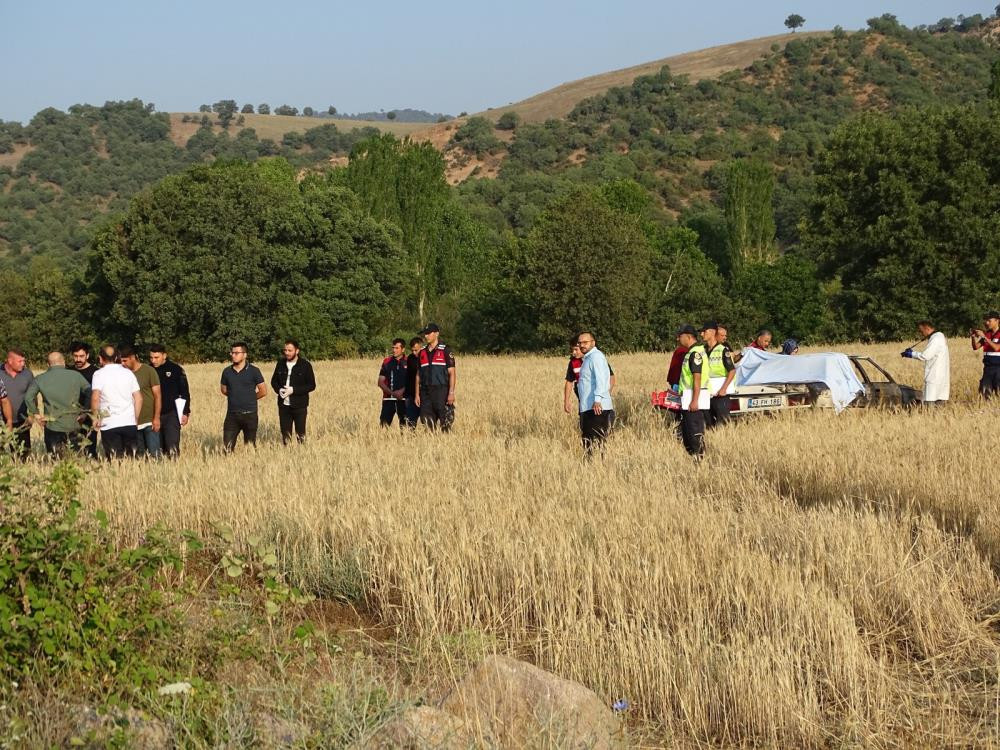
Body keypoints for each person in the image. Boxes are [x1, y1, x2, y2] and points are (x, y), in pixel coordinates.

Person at [24, 351, 91, 455]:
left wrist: (36, 414)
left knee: (55, 459)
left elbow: (28, 398)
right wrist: (85, 412)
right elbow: (90, 392)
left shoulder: (40, 379)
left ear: (48, 364)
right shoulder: (76, 375)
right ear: (63, 362)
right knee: (75, 458)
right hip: (74, 424)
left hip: (52, 426)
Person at [90, 344, 142, 459]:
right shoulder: (128, 373)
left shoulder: (98, 374)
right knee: (131, 459)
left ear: (100, 358)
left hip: (109, 424)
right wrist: (135, 418)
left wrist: (95, 418)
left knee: (115, 460)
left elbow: (95, 398)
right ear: (116, 357)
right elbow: (138, 398)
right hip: (129, 422)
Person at [221, 342, 266, 451]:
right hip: (232, 415)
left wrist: (249, 398)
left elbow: (263, 391)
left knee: (250, 448)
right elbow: (224, 390)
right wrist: (235, 396)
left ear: (245, 355)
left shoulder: (254, 371)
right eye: (232, 353)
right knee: (227, 447)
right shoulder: (227, 372)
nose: (233, 355)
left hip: (250, 415)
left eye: (237, 353)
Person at [149, 344, 191, 458]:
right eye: (151, 357)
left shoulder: (176, 369)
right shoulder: (148, 370)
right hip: (153, 415)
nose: (153, 360)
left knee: (172, 446)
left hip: (171, 413)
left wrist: (186, 412)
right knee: (156, 449)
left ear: (164, 356)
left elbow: (184, 391)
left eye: (156, 357)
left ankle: (174, 470)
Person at [576, 331, 614, 456]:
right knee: (589, 441)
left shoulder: (596, 357)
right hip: (589, 406)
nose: (582, 345)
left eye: (585, 342)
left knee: (596, 441)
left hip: (596, 407)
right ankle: (591, 468)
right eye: (580, 343)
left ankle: (598, 467)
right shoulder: (588, 358)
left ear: (593, 342)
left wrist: (598, 400)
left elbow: (602, 379)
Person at [270, 339, 315, 444]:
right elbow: (273, 381)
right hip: (283, 405)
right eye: (285, 350)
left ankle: (301, 455)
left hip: (300, 405)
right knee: (285, 435)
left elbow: (311, 385)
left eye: (290, 350)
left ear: (297, 351)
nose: (287, 353)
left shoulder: (305, 365)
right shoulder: (280, 364)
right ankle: (287, 455)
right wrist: (279, 390)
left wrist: (293, 390)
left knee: (300, 434)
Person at [120, 345, 162, 458]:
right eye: (121, 361)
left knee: (155, 454)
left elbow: (157, 395)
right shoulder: (123, 374)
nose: (122, 364)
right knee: (139, 456)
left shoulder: (149, 371)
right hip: (132, 422)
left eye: (125, 360)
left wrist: (156, 418)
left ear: (133, 357)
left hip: (149, 421)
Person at [415, 324, 456, 431]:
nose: (426, 336)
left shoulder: (445, 350)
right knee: (427, 425)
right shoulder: (422, 352)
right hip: (425, 393)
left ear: (437, 333)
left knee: (445, 423)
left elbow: (452, 373)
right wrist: (417, 394)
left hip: (441, 391)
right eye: (425, 333)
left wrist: (451, 392)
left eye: (428, 333)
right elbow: (418, 375)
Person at [677, 325, 709, 457]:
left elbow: (697, 377)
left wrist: (694, 400)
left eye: (680, 336)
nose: (678, 339)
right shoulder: (692, 352)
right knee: (688, 434)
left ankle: (700, 461)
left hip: (694, 401)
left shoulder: (695, 353)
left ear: (689, 336)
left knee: (695, 434)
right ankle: (695, 460)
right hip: (689, 399)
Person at [901, 320, 949, 406]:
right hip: (940, 377)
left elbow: (925, 356)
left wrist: (911, 354)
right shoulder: (939, 337)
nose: (921, 333)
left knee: (930, 403)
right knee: (938, 402)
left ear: (927, 328)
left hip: (934, 377)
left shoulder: (936, 339)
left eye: (921, 331)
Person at [700, 321, 736, 428]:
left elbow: (732, 371)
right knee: (708, 425)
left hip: (721, 394)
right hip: (707, 393)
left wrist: (723, 389)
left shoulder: (723, 350)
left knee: (722, 424)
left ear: (712, 333)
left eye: (703, 331)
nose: (701, 334)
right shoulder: (702, 350)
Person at [0, 349, 35, 458]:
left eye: (24, 361)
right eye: (20, 361)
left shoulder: (28, 374)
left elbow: (32, 396)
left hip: (21, 420)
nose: (23, 364)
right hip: (1, 421)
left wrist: (31, 415)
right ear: (10, 361)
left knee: (23, 454)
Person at [68, 341, 99, 458]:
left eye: (81, 356)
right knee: (73, 449)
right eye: (75, 356)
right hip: (72, 416)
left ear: (87, 356)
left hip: (89, 417)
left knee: (90, 449)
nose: (78, 359)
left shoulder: (95, 372)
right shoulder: (68, 371)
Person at [378, 339, 408, 427]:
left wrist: (402, 391)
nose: (394, 350)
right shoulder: (386, 362)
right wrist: (392, 393)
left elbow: (413, 381)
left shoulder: (409, 361)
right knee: (383, 427)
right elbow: (380, 382)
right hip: (388, 399)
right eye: (393, 348)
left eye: (397, 348)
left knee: (405, 427)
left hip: (404, 400)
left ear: (403, 349)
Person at [971, 311, 1000, 399]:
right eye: (986, 320)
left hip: (999, 368)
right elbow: (976, 347)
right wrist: (972, 337)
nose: (986, 323)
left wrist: (984, 337)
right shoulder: (988, 334)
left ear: (997, 320)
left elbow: (996, 348)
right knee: (985, 394)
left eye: (989, 320)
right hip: (987, 368)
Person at [403, 337, 422, 428]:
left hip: (424, 395)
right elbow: (408, 376)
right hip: (410, 395)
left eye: (416, 350)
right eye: (412, 350)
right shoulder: (410, 358)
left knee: (426, 421)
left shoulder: (426, 358)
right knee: (410, 422)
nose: (414, 353)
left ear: (421, 347)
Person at [563, 340, 584, 413]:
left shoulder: (595, 359)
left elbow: (611, 377)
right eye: (572, 350)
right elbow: (569, 381)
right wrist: (566, 401)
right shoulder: (573, 362)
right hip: (583, 402)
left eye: (576, 349)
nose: (573, 353)